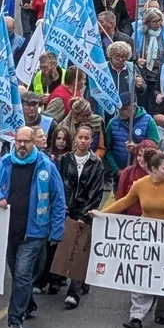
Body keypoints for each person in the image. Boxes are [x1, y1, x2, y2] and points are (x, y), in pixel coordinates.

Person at [98, 148, 164, 328]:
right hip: (146, 234)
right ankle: (137, 316)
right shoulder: (140, 184)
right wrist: (101, 215)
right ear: (153, 169)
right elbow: (124, 202)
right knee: (141, 272)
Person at [0, 126, 67, 328]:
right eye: (18, 141)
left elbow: (58, 201)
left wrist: (56, 232)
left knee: (22, 274)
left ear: (34, 143)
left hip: (35, 232)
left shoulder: (46, 166)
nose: (21, 145)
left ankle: (15, 319)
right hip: (8, 230)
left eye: (26, 142)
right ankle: (28, 304)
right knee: (17, 273)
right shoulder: (4, 163)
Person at [58, 125, 104, 309]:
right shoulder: (65, 159)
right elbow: (60, 183)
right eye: (80, 137)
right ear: (75, 139)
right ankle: (71, 280)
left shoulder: (96, 163)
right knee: (65, 247)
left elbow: (96, 191)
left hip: (84, 210)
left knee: (79, 250)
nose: (83, 141)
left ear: (91, 141)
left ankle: (73, 291)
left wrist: (85, 215)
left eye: (87, 138)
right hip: (66, 209)